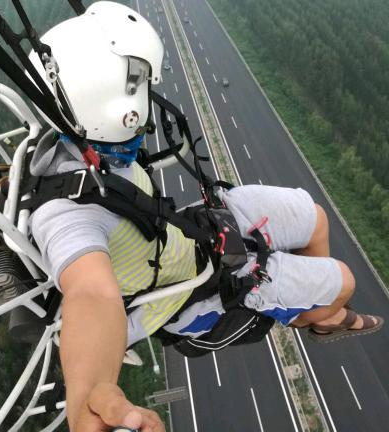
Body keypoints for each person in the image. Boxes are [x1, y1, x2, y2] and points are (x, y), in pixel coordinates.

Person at [26, 2, 383, 431]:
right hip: (194, 291)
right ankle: (317, 315)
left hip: (192, 229)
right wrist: (89, 393)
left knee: (316, 217)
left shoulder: (82, 138)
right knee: (345, 280)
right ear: (114, 111)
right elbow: (91, 294)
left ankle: (310, 302)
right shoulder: (66, 218)